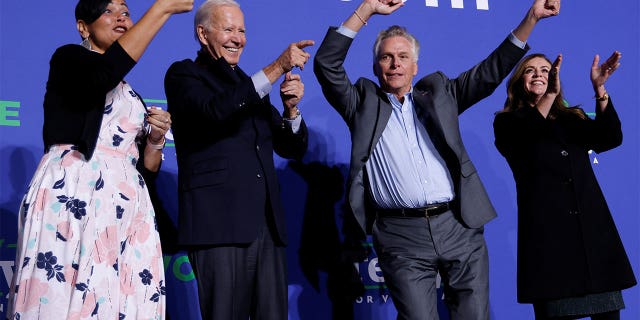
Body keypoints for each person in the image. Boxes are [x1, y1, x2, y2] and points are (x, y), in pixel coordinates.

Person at [313, 0, 561, 318]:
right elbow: (326, 63)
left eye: (403, 57)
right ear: (375, 67)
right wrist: (366, 11)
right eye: (386, 57)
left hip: (458, 225)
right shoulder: (360, 104)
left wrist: (531, 19)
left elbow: (489, 72)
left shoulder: (441, 94)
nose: (394, 64)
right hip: (400, 235)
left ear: (415, 66)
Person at [6, 0, 192, 319]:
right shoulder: (69, 59)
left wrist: (156, 141)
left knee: (123, 300)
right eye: (108, 11)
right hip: (75, 193)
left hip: (125, 207)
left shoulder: (131, 93)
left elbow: (146, 171)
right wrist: (161, 9)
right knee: (64, 295)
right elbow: (101, 76)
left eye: (125, 11)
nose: (121, 16)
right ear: (83, 27)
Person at [163, 0, 312, 318]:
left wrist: (291, 111)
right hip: (218, 224)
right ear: (203, 34)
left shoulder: (247, 85)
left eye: (242, 30)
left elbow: (291, 147)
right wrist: (276, 68)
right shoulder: (184, 75)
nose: (238, 38)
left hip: (266, 225)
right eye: (228, 29)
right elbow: (215, 111)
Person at [493, 52, 636, 319]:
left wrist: (600, 88)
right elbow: (529, 136)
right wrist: (549, 96)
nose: (539, 75)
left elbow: (609, 138)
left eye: (546, 70)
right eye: (530, 70)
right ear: (518, 81)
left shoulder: (572, 117)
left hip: (592, 240)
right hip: (550, 245)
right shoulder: (507, 122)